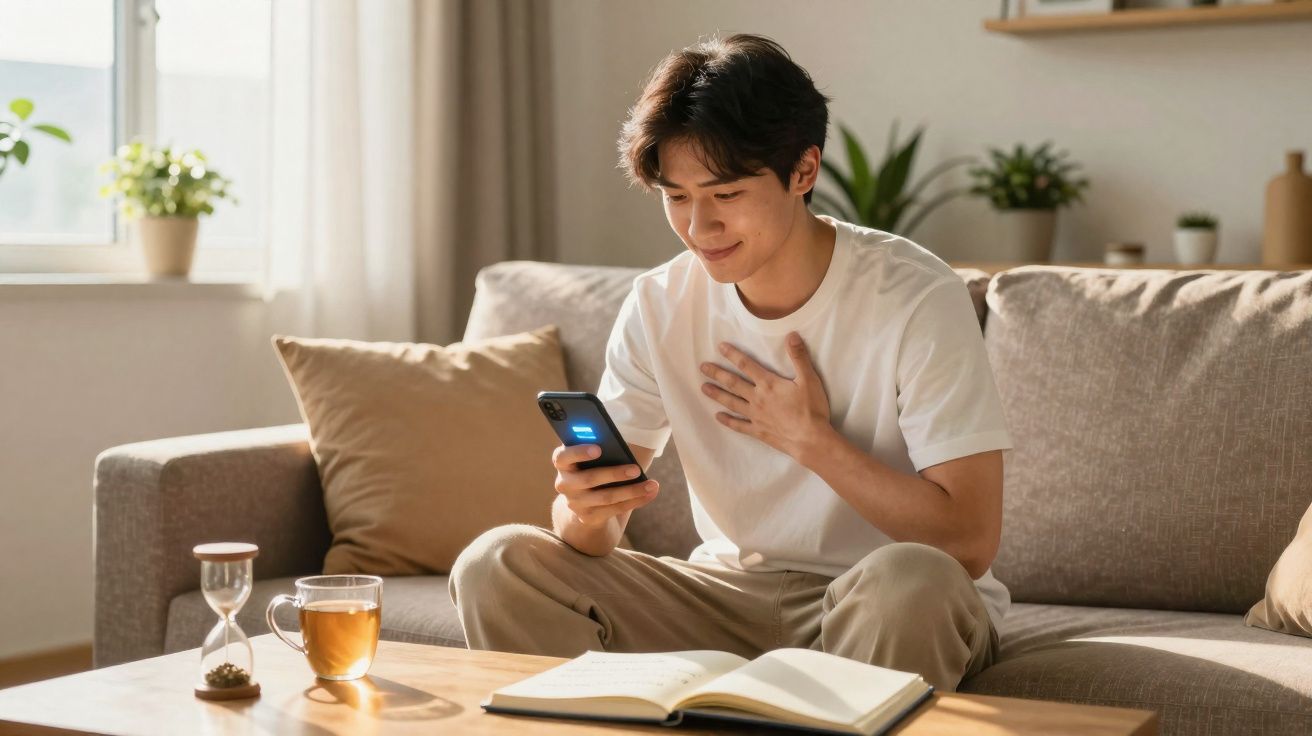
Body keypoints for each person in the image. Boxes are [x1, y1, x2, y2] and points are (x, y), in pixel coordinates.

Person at [449, 33, 1012, 692]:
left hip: (878, 602)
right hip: (724, 595)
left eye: (725, 194)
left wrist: (812, 440)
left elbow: (968, 542)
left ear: (804, 171)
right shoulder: (660, 304)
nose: (699, 227)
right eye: (677, 196)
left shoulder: (915, 295)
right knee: (497, 563)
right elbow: (596, 541)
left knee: (911, 579)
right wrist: (584, 509)